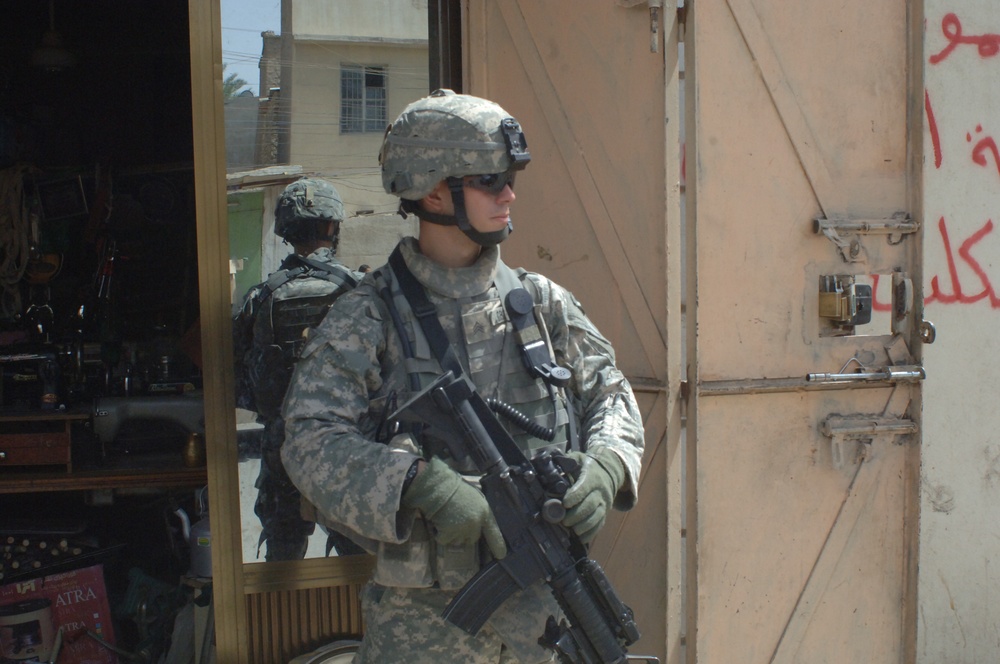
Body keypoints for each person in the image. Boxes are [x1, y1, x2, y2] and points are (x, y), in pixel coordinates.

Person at [282, 90, 645, 663]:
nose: (509, 194)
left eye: (509, 177)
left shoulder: (540, 304)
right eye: (488, 179)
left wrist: (607, 465)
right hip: (422, 634)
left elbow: (611, 392)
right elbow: (308, 440)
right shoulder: (368, 317)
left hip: (543, 625)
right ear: (432, 188)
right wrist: (418, 484)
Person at [232, 177, 363, 561]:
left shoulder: (260, 296)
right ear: (331, 226)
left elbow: (238, 375)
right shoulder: (359, 290)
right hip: (346, 445)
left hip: (283, 446)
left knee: (284, 556)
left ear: (287, 231)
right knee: (358, 559)